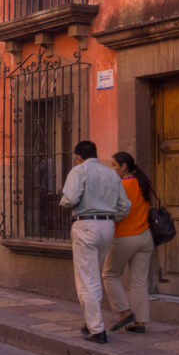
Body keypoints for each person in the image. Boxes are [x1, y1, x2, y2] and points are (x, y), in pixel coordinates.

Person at [58, 140, 131, 343]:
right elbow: (124, 205)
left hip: (86, 225)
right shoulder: (110, 173)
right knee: (94, 276)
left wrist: (63, 200)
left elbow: (70, 199)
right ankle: (92, 319)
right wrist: (111, 218)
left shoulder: (78, 171)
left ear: (79, 157)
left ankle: (96, 329)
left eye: (76, 158)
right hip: (107, 226)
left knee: (86, 280)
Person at [104, 152, 154, 334]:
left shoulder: (121, 185)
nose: (113, 169)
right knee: (139, 281)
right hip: (146, 237)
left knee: (110, 274)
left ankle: (125, 312)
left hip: (125, 236)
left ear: (124, 166)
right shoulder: (142, 182)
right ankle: (140, 322)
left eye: (115, 165)